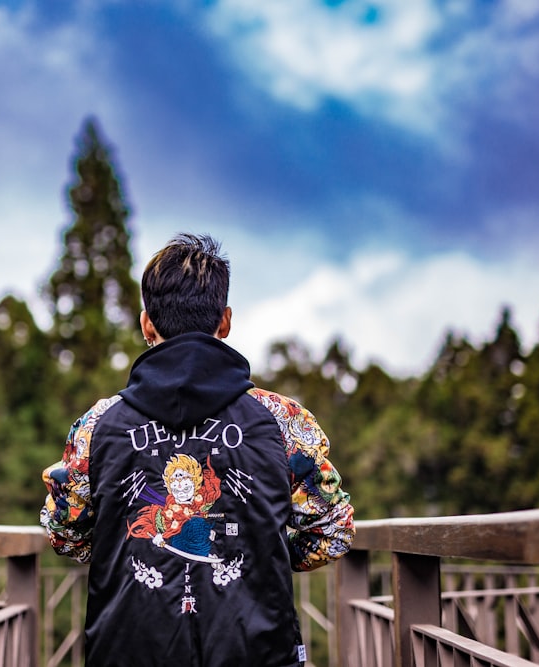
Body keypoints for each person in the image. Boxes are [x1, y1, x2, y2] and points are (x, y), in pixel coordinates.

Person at [41, 233, 354, 666]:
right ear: (224, 322)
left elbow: (66, 533)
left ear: (147, 323)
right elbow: (333, 530)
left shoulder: (96, 426)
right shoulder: (283, 422)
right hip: (257, 652)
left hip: (126, 652)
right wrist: (265, 552)